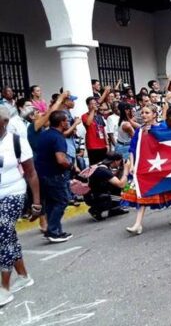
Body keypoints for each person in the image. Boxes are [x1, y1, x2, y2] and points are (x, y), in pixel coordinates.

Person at [122, 104, 171, 235]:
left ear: (154, 114)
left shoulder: (162, 127)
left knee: (170, 189)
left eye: (147, 113)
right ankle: (137, 224)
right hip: (145, 166)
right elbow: (133, 149)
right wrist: (132, 165)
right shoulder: (139, 131)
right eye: (142, 113)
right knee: (141, 192)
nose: (144, 115)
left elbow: (168, 144)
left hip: (161, 165)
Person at [0, 106, 41, 306]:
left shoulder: (17, 142)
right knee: (8, 235)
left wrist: (36, 202)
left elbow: (31, 173)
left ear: (5, 122)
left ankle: (4, 288)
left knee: (2, 233)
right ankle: (24, 277)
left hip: (13, 193)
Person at [36, 111, 73, 243]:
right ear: (62, 122)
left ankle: (55, 230)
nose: (68, 122)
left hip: (42, 174)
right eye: (66, 120)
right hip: (54, 175)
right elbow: (61, 159)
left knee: (52, 203)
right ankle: (52, 231)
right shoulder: (58, 137)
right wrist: (70, 166)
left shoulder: (44, 135)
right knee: (62, 201)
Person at [84, 152, 130, 221]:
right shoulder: (103, 170)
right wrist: (126, 170)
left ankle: (115, 209)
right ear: (115, 161)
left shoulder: (101, 165)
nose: (121, 163)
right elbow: (121, 185)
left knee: (115, 186)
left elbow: (114, 179)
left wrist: (121, 168)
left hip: (93, 194)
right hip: (93, 197)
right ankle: (95, 210)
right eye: (120, 161)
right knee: (118, 187)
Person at [82, 97, 109, 165]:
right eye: (92, 104)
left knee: (103, 165)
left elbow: (103, 130)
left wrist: (107, 143)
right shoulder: (84, 116)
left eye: (95, 103)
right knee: (94, 166)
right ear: (88, 105)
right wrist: (93, 111)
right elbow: (88, 123)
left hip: (102, 145)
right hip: (92, 145)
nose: (95, 105)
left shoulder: (99, 116)